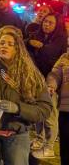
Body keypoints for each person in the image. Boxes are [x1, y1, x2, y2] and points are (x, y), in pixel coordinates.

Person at [0, 26, 51, 165]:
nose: (4, 46)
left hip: (17, 134)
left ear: (17, 49)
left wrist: (18, 108)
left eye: (9, 44)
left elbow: (45, 108)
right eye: (1, 43)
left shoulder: (31, 75)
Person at [26, 13, 67, 157]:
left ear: (57, 25)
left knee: (50, 115)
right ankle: (39, 138)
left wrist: (40, 46)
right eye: (45, 22)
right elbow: (27, 47)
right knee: (38, 112)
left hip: (52, 83)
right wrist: (30, 42)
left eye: (50, 23)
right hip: (36, 80)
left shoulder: (60, 39)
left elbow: (51, 55)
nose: (46, 25)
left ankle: (49, 144)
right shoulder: (36, 35)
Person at [46, 50, 69, 163]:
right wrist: (51, 85)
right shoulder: (65, 57)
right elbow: (55, 74)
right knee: (65, 148)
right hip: (66, 109)